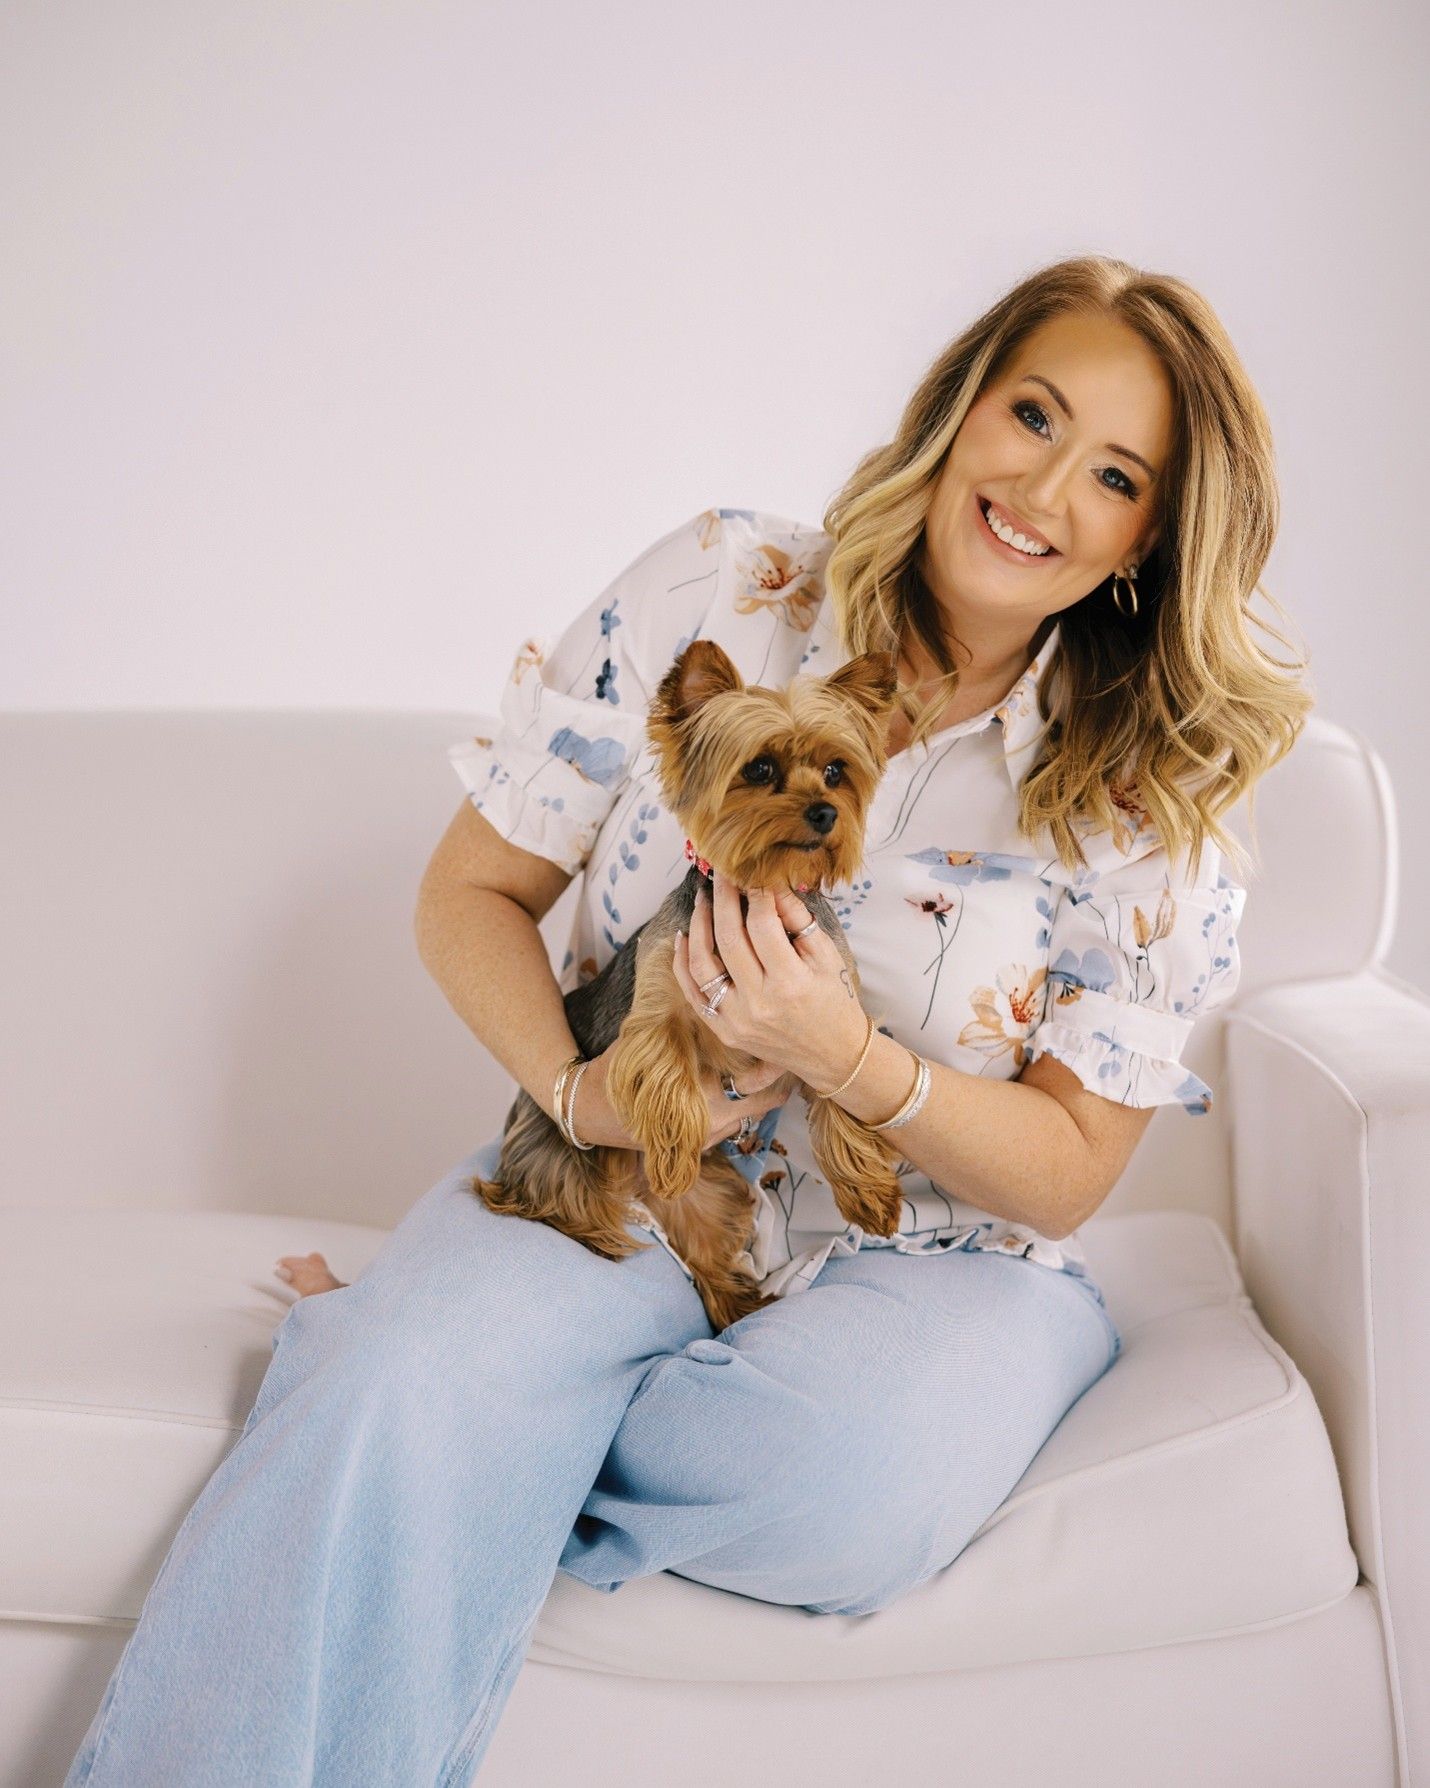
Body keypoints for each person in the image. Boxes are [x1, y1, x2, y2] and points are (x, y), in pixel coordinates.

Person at [63, 254, 1311, 1786]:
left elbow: (1064, 1171)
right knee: (415, 1391)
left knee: (843, 1487)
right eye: (1029, 413)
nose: (1042, 486)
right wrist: (576, 1095)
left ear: (1145, 543)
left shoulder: (1148, 799)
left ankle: (419, 1387)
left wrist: (845, 1058)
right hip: (632, 1186)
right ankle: (410, 1381)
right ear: (956, 408)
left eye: (1112, 474)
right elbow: (470, 891)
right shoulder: (720, 585)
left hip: (935, 1254)